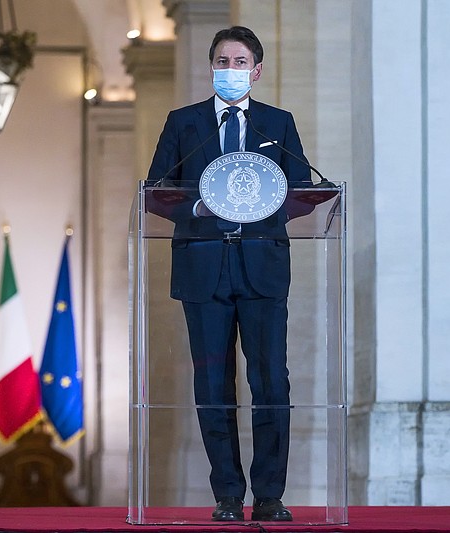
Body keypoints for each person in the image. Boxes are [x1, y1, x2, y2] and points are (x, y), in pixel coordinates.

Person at [146, 25, 313, 522]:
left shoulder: (276, 124)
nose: (231, 69)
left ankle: (269, 495)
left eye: (241, 62)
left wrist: (261, 205)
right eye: (224, 60)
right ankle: (226, 496)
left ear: (256, 71)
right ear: (211, 67)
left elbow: (303, 192)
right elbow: (157, 190)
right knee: (213, 385)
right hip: (204, 271)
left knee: (271, 383)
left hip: (262, 269)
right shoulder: (184, 122)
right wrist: (200, 207)